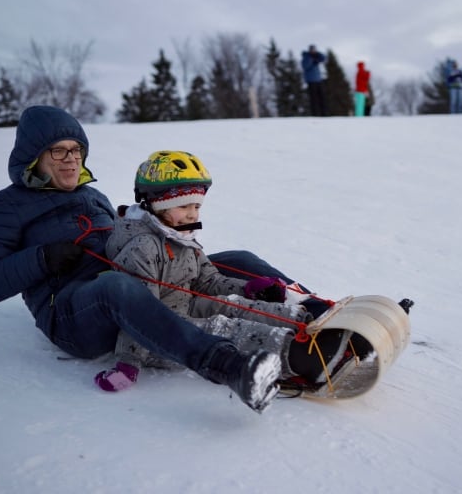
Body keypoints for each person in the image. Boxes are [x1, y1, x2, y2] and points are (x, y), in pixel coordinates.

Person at [0, 105, 282, 414]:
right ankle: (230, 367)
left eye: (77, 150)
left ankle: (315, 313)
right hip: (76, 314)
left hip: (131, 286)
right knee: (116, 285)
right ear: (34, 157)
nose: (71, 160)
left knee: (236, 259)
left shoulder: (92, 196)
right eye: (58, 151)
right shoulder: (4, 206)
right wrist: (43, 258)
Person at [99, 150, 354, 390]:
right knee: (222, 327)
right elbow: (140, 315)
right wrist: (127, 363)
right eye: (184, 206)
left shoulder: (181, 236)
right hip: (162, 337)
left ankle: (313, 327)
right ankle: (304, 357)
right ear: (156, 204)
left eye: (196, 206)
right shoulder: (142, 248)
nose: (191, 214)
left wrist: (248, 289)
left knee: (232, 306)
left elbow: (208, 281)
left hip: (185, 307)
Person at [301, 44, 327, 117]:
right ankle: (315, 114)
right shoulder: (306, 57)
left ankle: (324, 114)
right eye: (312, 50)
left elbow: (323, 58)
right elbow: (305, 66)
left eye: (314, 50)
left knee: (322, 97)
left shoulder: (317, 56)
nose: (313, 51)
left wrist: (317, 54)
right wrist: (312, 59)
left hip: (319, 80)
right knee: (313, 99)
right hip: (311, 81)